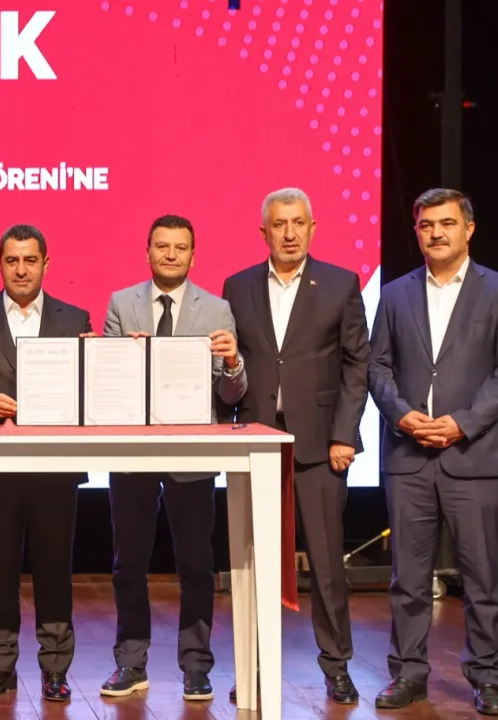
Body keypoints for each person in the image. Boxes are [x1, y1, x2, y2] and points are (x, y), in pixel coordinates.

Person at [221, 187, 369, 706]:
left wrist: (344, 435)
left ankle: (337, 666)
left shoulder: (340, 283)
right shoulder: (236, 286)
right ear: (264, 232)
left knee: (326, 565)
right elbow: (232, 364)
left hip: (321, 446)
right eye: (280, 224)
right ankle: (255, 665)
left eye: (298, 223)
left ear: (312, 227)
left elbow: (357, 365)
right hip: (257, 441)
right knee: (254, 563)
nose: (289, 233)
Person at [99, 215, 247, 702]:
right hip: (133, 450)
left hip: (192, 450)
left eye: (179, 247)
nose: (170, 254)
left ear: (192, 255)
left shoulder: (217, 308)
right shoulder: (121, 303)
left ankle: (196, 666)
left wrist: (233, 362)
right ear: (147, 251)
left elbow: (231, 393)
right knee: (128, 562)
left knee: (197, 564)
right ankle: (130, 663)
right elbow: (107, 384)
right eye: (162, 246)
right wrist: (123, 359)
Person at [368, 188, 498, 714]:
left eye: (446, 223)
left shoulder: (495, 290)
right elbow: (377, 367)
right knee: (408, 579)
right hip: (409, 457)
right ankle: (408, 674)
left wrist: (463, 423)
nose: (436, 233)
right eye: (426, 225)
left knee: (483, 578)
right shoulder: (395, 294)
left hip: (475, 456)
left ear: (469, 229)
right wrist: (401, 415)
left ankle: (488, 675)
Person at [0, 225, 91, 703]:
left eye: (30, 260)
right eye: (12, 260)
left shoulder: (75, 318)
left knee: (55, 569)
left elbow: (85, 386)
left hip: (55, 465)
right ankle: (0, 667)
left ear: (45, 264)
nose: (21, 269)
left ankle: (55, 669)